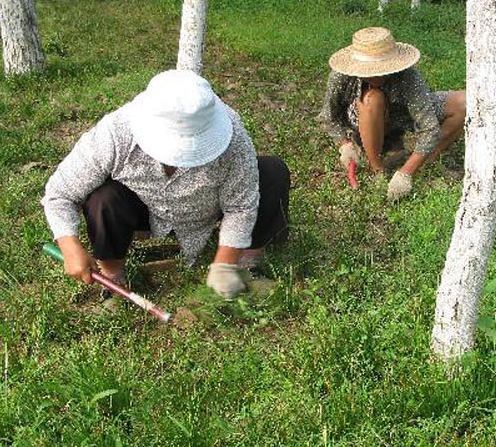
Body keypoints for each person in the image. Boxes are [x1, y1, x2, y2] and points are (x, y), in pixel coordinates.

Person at [41, 70, 290, 300]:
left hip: (209, 207)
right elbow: (59, 194)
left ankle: (248, 263)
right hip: (142, 209)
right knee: (103, 200)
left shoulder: (233, 133)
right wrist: (69, 245)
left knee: (271, 172)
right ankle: (113, 278)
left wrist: (224, 264)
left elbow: (240, 206)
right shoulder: (116, 132)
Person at [319, 27, 466, 201]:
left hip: (401, 114)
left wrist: (406, 173)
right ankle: (377, 168)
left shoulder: (409, 77)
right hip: (363, 115)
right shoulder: (340, 76)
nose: (375, 75)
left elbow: (430, 128)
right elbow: (328, 117)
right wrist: (344, 144)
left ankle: (426, 160)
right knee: (373, 98)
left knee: (464, 103)